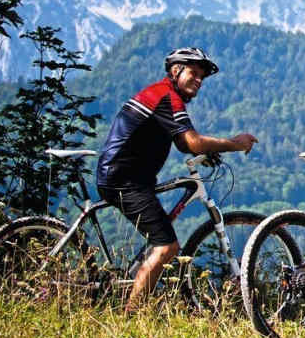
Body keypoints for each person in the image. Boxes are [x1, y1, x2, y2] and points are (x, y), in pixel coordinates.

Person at [96, 47, 258, 312]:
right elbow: (192, 142)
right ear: (175, 70)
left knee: (162, 240)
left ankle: (131, 297)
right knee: (167, 246)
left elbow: (184, 144)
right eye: (194, 73)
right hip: (124, 179)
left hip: (124, 176)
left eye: (202, 78)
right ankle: (130, 314)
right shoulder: (166, 96)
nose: (198, 80)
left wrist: (210, 149)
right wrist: (234, 144)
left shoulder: (161, 94)